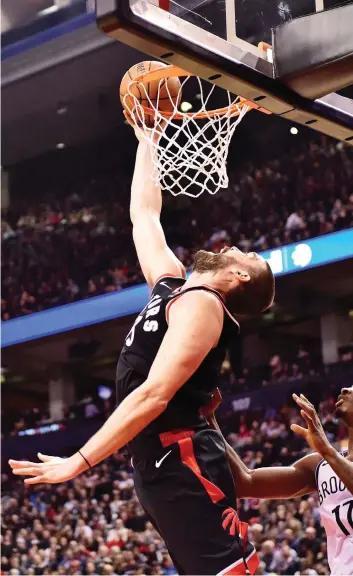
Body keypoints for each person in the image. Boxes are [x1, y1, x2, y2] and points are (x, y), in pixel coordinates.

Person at [9, 124, 275, 575]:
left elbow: (154, 395)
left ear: (241, 278)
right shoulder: (174, 285)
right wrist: (148, 134)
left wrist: (79, 462)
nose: (232, 246)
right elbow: (144, 215)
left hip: (182, 457)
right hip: (157, 462)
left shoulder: (205, 305)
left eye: (244, 255)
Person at [210, 389, 353, 575]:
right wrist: (209, 419)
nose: (346, 389)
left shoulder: (328, 455)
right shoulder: (320, 465)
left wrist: (327, 450)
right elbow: (246, 482)